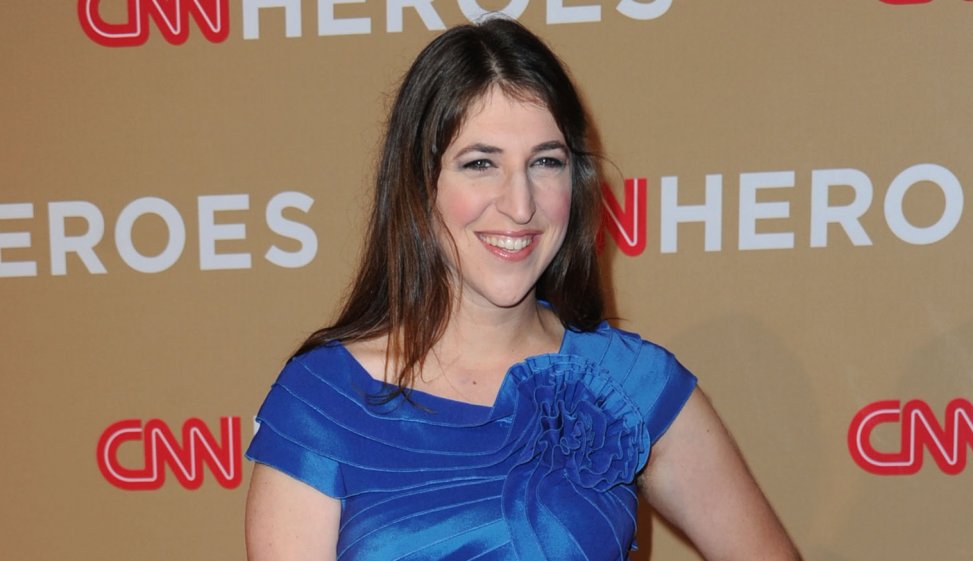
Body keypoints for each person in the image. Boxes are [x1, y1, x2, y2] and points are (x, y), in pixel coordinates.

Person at [245, 16, 800, 561]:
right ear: (419, 184)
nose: (520, 205)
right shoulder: (322, 400)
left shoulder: (633, 382)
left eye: (545, 162)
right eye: (480, 163)